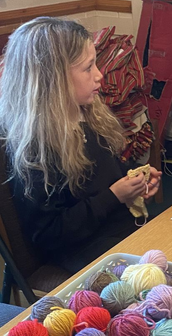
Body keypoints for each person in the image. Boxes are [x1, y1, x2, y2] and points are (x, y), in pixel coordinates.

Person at [0, 17, 161, 274]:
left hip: (122, 234)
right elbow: (49, 235)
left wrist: (136, 181)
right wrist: (114, 196)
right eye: (88, 68)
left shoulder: (87, 115)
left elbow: (106, 172)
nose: (99, 75)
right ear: (53, 79)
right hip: (86, 253)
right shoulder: (36, 149)